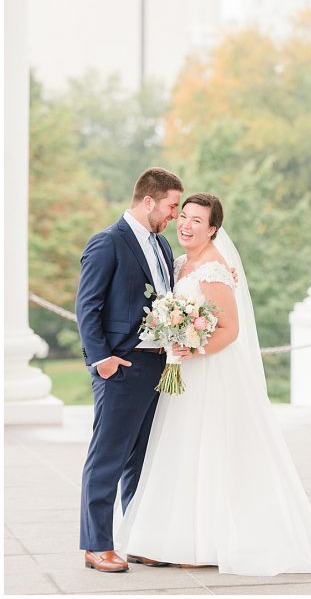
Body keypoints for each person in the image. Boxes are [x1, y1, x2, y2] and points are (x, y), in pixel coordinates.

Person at [114, 193, 311, 575]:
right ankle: (172, 537)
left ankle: (204, 541)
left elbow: (230, 331)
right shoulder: (181, 263)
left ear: (214, 228)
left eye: (197, 220)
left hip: (210, 372)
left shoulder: (215, 270)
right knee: (180, 448)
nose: (186, 225)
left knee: (209, 449)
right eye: (183, 216)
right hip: (184, 373)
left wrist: (191, 349)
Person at [77, 167, 183, 572]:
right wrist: (102, 360)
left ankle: (138, 538)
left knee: (142, 459)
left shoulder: (162, 246)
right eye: (172, 206)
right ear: (149, 201)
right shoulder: (108, 242)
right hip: (120, 366)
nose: (174, 215)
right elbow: (88, 306)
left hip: (157, 366)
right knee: (108, 456)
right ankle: (96, 544)